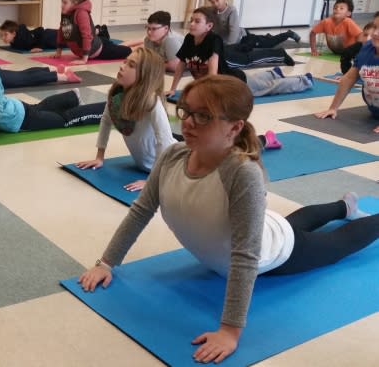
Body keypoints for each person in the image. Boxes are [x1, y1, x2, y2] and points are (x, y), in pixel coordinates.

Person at [79, 75, 379, 364]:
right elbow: (141, 211)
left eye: (203, 116)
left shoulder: (242, 173)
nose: (187, 122)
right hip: (258, 226)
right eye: (185, 111)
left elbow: (246, 255)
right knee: (291, 222)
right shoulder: (171, 157)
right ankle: (344, 206)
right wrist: (106, 262)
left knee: (339, 244)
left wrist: (230, 331)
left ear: (234, 127)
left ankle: (359, 214)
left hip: (274, 255)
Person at [0, 39, 104, 145]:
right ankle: (71, 97)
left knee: (64, 120)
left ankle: (103, 109)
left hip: (20, 121)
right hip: (16, 111)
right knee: (38, 108)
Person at [75, 48, 176, 191]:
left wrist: (154, 180)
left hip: (174, 165)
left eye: (131, 65)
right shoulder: (117, 94)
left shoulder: (151, 100)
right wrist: (99, 157)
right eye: (125, 62)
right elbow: (106, 120)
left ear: (144, 75)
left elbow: (164, 140)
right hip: (143, 166)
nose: (122, 67)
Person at [167, 8, 312, 99]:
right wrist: (173, 89)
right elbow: (181, 64)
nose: (191, 24)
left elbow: (213, 71)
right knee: (259, 82)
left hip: (234, 84)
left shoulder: (213, 40)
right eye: (191, 20)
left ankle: (303, 81)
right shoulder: (189, 39)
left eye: (197, 21)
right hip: (220, 83)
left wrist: (208, 95)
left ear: (209, 26)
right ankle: (274, 72)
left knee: (269, 87)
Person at [315, 15, 379, 134]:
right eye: (375, 27)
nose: (375, 33)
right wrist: (333, 108)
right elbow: (349, 78)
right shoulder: (367, 49)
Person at [206, 0, 300, 47]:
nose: (215, 4)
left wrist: (230, 47)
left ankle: (288, 34)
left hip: (243, 39)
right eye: (212, 2)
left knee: (269, 44)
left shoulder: (231, 10)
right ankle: (267, 36)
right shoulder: (213, 11)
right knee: (264, 39)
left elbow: (233, 30)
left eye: (217, 0)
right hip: (233, 39)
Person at [55, 0, 132, 65]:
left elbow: (86, 35)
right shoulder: (66, 14)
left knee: (129, 51)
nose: (62, 6)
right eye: (62, 2)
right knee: (119, 46)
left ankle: (143, 43)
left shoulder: (81, 13)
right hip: (96, 44)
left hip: (100, 50)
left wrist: (84, 59)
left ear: (75, 4)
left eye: (65, 3)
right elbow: (61, 32)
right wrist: (58, 52)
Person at [120, 11, 184, 72]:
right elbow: (148, 59)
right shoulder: (148, 40)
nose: (149, 32)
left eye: (154, 29)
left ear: (166, 28)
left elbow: (175, 67)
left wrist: (150, 66)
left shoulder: (170, 40)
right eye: (148, 28)